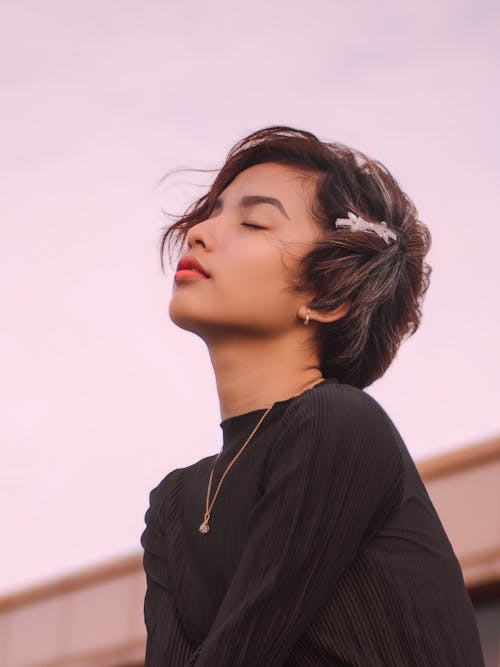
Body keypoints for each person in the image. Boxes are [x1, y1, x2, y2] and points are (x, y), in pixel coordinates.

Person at [140, 125, 485, 665]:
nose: (201, 232)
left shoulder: (340, 423)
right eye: (212, 212)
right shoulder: (174, 503)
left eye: (253, 221)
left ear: (327, 296)